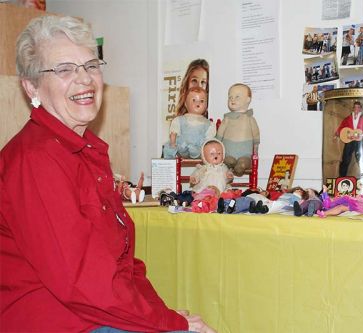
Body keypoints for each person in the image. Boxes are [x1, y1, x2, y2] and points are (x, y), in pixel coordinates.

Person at [0, 15, 215, 332]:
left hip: (92, 314)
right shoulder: (37, 159)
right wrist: (171, 323)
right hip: (59, 321)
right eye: (64, 69)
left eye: (90, 66)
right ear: (31, 86)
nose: (84, 79)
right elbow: (82, 282)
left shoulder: (85, 153)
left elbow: (125, 267)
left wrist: (166, 317)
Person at [216, 83, 260, 176]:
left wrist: (256, 148)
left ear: (248, 99)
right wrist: (216, 144)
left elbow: (256, 135)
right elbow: (219, 135)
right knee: (228, 160)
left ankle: (241, 165)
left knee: (244, 161)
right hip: (228, 153)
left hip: (245, 154)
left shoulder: (250, 119)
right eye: (230, 97)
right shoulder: (227, 118)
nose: (232, 99)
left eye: (237, 97)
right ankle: (230, 162)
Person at [163, 87, 216, 159]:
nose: (198, 103)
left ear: (206, 105)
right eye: (194, 100)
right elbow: (174, 134)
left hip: (199, 150)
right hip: (181, 147)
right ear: (186, 104)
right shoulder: (179, 120)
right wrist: (173, 143)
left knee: (200, 150)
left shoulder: (209, 124)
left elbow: (208, 140)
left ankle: (195, 152)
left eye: (202, 101)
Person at [334, 100, 363, 177]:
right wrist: (337, 134)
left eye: (358, 107)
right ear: (353, 109)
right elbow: (342, 127)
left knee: (361, 159)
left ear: (361, 109)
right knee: (345, 159)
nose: (356, 109)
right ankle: (341, 177)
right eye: (355, 107)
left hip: (359, 141)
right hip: (349, 140)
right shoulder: (348, 119)